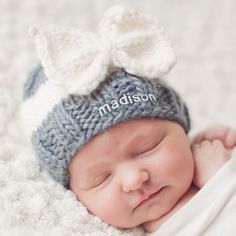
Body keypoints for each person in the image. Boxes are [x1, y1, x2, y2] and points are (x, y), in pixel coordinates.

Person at [20, 5, 236, 235]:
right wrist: (222, 180)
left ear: (182, 130)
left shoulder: (214, 154)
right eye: (101, 179)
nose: (134, 180)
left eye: (148, 148)